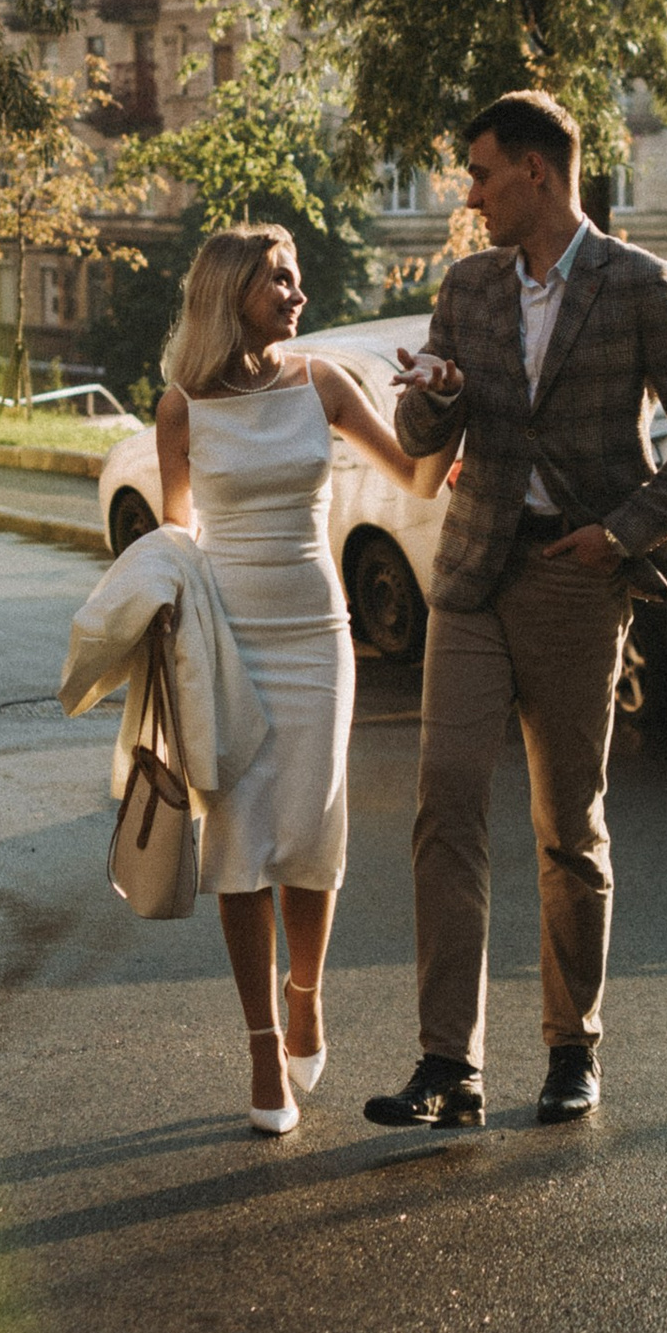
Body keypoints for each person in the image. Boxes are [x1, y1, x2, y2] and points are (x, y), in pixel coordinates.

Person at [364, 90, 667, 1133]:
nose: (471, 194)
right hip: (476, 570)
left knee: (566, 824)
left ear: (537, 170)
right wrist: (436, 392)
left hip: (579, 581)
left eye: (482, 173)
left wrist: (623, 533)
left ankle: (571, 1045)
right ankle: (449, 1065)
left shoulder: (636, 284)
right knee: (444, 797)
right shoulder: (471, 285)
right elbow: (421, 440)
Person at [156, 223, 422, 1137]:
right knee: (236, 842)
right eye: (279, 280)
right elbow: (176, 531)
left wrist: (442, 405)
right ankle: (264, 1044)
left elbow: (418, 480)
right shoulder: (183, 406)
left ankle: (305, 991)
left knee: (312, 830)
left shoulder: (324, 384)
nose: (297, 295)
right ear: (232, 293)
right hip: (228, 643)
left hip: (317, 636)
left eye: (297, 278)